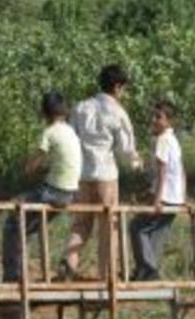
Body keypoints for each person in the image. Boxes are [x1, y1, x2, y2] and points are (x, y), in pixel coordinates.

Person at [0, 92, 82, 319]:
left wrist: (28, 166)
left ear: (43, 112)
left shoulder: (49, 132)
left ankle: (13, 274)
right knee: (26, 227)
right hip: (69, 192)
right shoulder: (71, 131)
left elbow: (34, 161)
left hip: (53, 191)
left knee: (11, 221)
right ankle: (23, 262)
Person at [59, 65, 142, 280]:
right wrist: (136, 163)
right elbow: (126, 148)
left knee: (80, 224)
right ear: (117, 86)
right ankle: (106, 277)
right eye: (123, 88)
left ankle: (69, 262)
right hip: (106, 175)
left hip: (82, 175)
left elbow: (70, 138)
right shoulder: (117, 112)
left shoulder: (80, 107)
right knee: (109, 227)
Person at [129, 101, 186, 281]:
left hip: (166, 197)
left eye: (159, 117)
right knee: (153, 233)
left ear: (170, 121)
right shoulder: (173, 139)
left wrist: (157, 200)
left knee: (136, 227)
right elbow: (181, 171)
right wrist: (183, 197)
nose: (154, 120)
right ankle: (144, 272)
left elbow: (162, 173)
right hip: (174, 198)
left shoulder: (162, 139)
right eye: (153, 116)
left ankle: (149, 270)